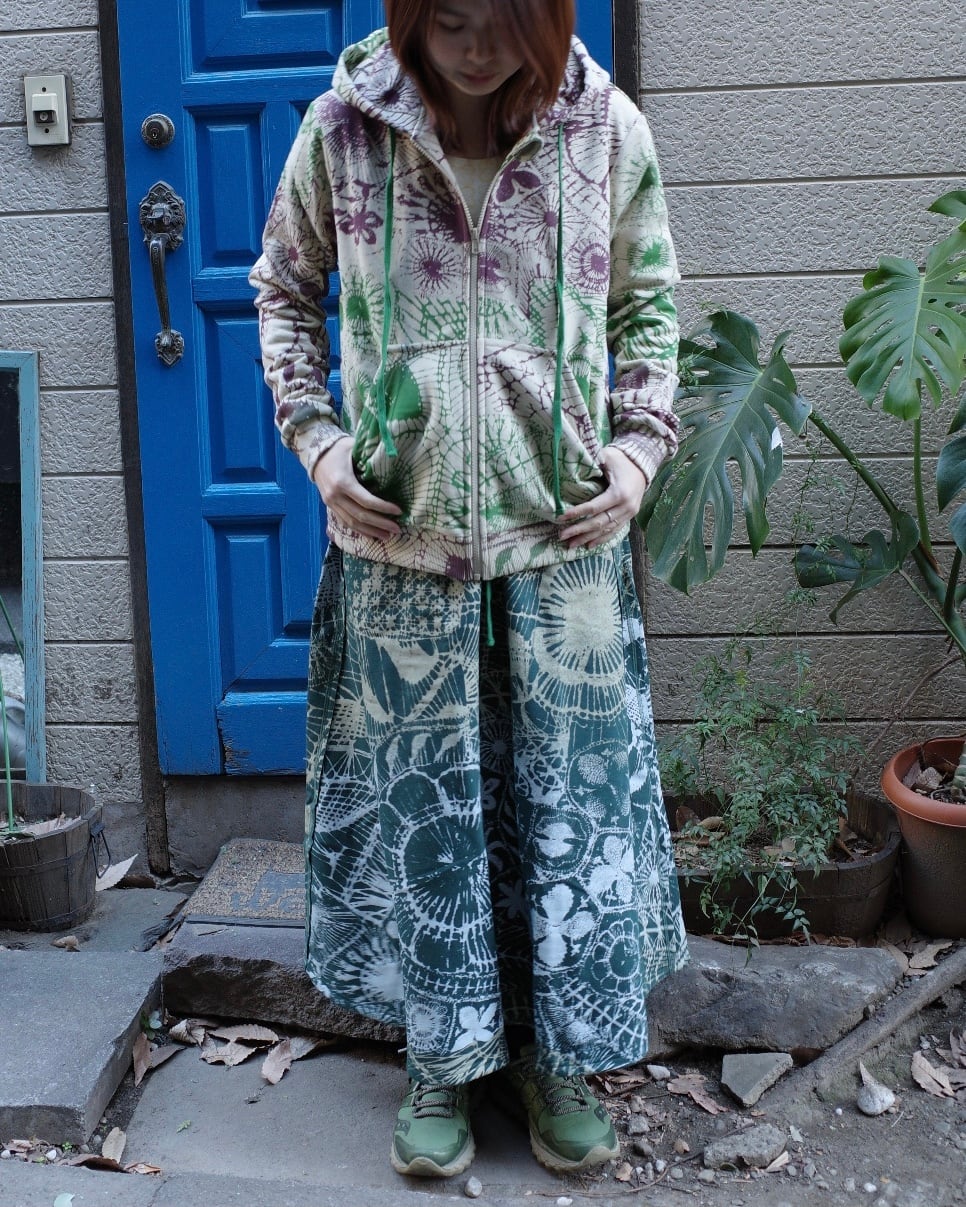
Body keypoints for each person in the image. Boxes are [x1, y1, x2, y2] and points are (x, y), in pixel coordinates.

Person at [250, 0, 688, 1180]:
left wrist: (639, 451)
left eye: (505, 20)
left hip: (563, 545)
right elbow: (283, 291)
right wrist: (321, 446)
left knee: (563, 817)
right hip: (401, 548)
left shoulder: (605, 129)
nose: (479, 48)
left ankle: (557, 1058)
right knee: (429, 822)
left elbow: (649, 301)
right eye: (450, 19)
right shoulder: (344, 131)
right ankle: (440, 1057)